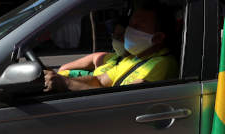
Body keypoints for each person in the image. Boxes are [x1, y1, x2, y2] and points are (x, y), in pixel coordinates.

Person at [43, 5, 178, 92]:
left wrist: (66, 84)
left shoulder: (162, 64)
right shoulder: (132, 58)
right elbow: (100, 81)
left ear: (158, 38)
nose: (128, 31)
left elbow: (127, 100)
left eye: (137, 27)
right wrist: (61, 79)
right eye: (130, 25)